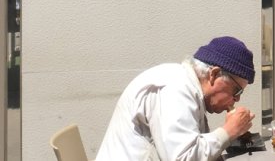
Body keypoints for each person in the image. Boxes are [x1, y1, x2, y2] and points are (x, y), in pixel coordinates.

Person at [94, 36, 256, 161]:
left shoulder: (187, 87)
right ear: (213, 74)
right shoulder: (175, 87)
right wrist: (228, 131)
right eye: (236, 90)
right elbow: (183, 157)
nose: (236, 99)